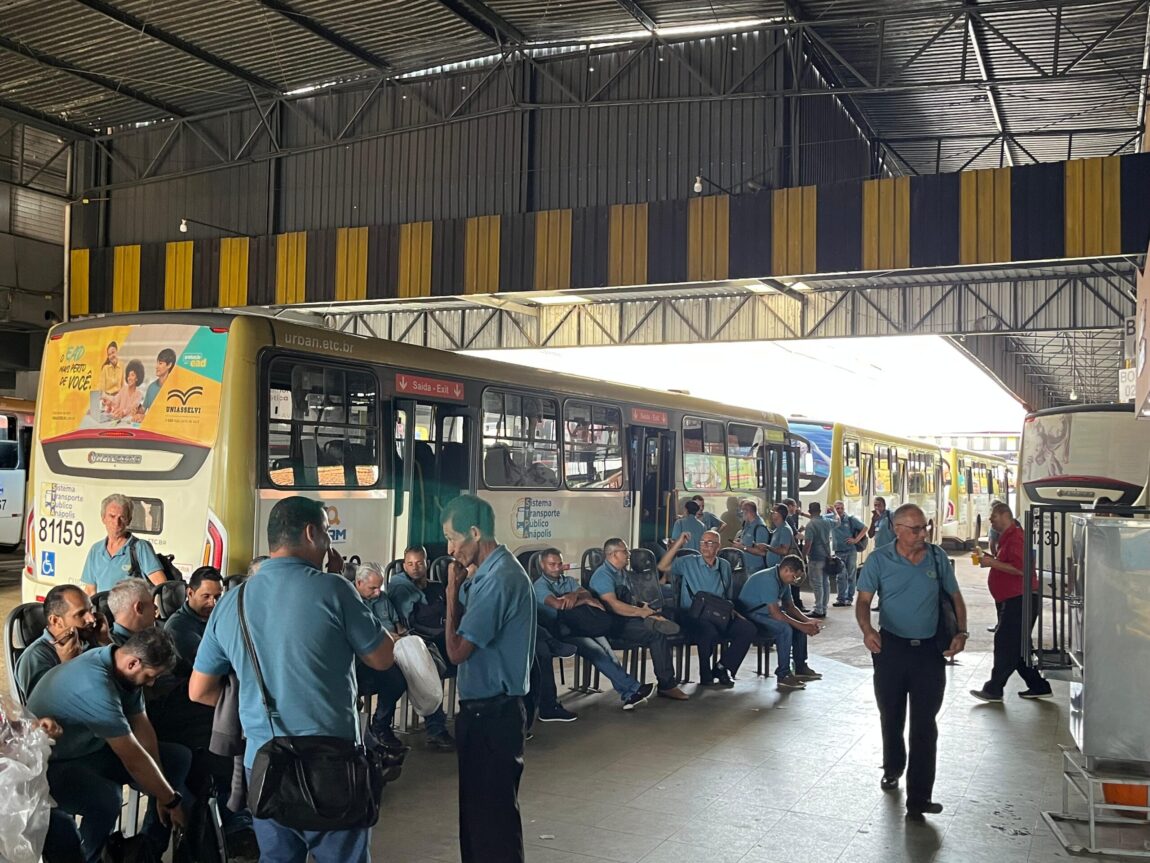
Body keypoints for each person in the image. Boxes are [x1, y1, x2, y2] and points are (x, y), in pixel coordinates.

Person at [189, 496, 395, 863]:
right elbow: (382, 658)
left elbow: (199, 689)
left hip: (264, 762)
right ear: (312, 533)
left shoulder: (232, 601)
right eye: (327, 533)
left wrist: (252, 701)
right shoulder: (335, 591)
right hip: (332, 761)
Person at [26, 628, 191, 862]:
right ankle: (89, 857)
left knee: (177, 758)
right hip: (52, 764)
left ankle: (144, 852)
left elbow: (142, 729)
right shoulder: (95, 684)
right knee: (106, 799)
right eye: (151, 676)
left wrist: (164, 792)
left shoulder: (121, 669)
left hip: (88, 749)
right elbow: (132, 757)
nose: (152, 683)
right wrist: (172, 800)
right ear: (134, 663)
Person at [856, 503, 968, 818]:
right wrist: (867, 630)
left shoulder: (936, 557)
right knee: (891, 715)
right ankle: (893, 767)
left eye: (925, 527)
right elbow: (863, 601)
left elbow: (955, 597)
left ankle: (919, 798)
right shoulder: (879, 560)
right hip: (891, 649)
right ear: (897, 529)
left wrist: (962, 632)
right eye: (915, 529)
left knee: (924, 725)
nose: (923, 533)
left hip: (929, 653)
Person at [441, 494, 536, 863]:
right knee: (480, 820)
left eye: (453, 538)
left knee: (492, 824)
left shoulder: (499, 579)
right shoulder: (493, 573)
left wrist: (451, 594)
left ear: (475, 533)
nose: (451, 549)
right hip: (488, 712)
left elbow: (456, 651)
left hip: (492, 715)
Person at [533, 548, 654, 710]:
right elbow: (558, 605)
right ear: (542, 565)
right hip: (561, 633)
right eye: (552, 564)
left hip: (581, 626)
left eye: (559, 564)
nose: (556, 568)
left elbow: (586, 594)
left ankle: (629, 693)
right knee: (596, 651)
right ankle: (633, 689)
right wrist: (581, 599)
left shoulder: (567, 580)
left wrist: (574, 596)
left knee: (607, 649)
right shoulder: (539, 586)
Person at [352, 561, 454, 750]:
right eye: (372, 588)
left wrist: (403, 636)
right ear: (358, 583)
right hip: (368, 655)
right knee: (396, 680)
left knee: (422, 668)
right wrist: (386, 637)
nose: (377, 592)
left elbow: (398, 625)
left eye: (379, 587)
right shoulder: (352, 603)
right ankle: (380, 726)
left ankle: (435, 727)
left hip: (395, 647)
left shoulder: (382, 599)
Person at [970, 503, 1053, 703]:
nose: (991, 521)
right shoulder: (1008, 538)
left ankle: (994, 688)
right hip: (1013, 599)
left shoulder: (1016, 538)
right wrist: (990, 559)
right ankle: (1038, 686)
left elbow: (1022, 569)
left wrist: (992, 563)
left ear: (1005, 515)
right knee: (1019, 647)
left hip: (1020, 599)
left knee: (1005, 643)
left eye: (994, 517)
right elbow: (1009, 564)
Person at [589, 538, 689, 701]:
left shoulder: (622, 572)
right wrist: (641, 613)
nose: (629, 554)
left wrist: (645, 607)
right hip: (612, 624)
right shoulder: (603, 575)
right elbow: (614, 605)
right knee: (656, 632)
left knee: (662, 618)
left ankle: (654, 620)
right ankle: (667, 685)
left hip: (628, 618)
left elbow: (630, 600)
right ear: (613, 554)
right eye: (625, 551)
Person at [659, 530, 755, 686]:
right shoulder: (689, 562)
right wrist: (678, 543)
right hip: (693, 614)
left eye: (710, 543)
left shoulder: (724, 565)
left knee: (748, 629)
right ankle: (706, 674)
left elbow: (727, 595)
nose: (705, 546)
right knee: (707, 631)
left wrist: (734, 612)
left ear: (718, 546)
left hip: (719, 613)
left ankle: (722, 667)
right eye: (703, 542)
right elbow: (663, 566)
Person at [738, 555, 822, 690]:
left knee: (799, 625)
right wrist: (802, 625)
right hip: (749, 616)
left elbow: (790, 606)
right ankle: (783, 675)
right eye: (795, 576)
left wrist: (807, 621)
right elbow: (776, 614)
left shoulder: (783, 580)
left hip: (764, 613)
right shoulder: (768, 579)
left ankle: (800, 666)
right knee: (785, 629)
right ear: (787, 570)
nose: (795, 580)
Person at [15, 584, 110, 701]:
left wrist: (105, 641)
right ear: (55, 621)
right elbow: (41, 709)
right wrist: (68, 666)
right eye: (81, 614)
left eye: (91, 610)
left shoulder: (89, 640)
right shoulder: (35, 657)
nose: (92, 619)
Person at [81, 493, 166, 594]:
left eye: (122, 517)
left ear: (129, 520)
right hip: (102, 609)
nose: (117, 523)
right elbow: (90, 590)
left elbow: (161, 585)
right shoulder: (96, 550)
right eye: (112, 516)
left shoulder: (140, 548)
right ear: (103, 518)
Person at [164, 565, 223, 664]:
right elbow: (210, 662)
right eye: (206, 596)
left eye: (217, 597)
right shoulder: (177, 627)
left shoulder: (218, 617)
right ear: (190, 593)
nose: (213, 603)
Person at [830, 500, 868, 607]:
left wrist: (856, 540)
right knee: (840, 576)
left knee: (851, 575)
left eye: (841, 508)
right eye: (837, 508)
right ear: (834, 509)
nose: (840, 510)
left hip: (850, 551)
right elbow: (817, 518)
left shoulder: (851, 519)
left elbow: (865, 528)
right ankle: (841, 599)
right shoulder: (832, 519)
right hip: (838, 552)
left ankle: (849, 598)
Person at [803, 502, 834, 618]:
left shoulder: (810, 525)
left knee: (817, 584)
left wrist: (802, 557)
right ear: (820, 511)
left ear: (810, 511)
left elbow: (808, 544)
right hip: (826, 556)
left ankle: (818, 609)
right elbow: (838, 522)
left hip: (815, 557)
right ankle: (824, 608)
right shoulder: (826, 521)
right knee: (825, 583)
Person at [107, 577, 158, 644]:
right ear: (139, 608)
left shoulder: (107, 646)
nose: (156, 607)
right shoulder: (116, 650)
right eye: (152, 602)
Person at [732, 499, 770, 574]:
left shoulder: (759, 527)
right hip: (747, 566)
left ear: (748, 512)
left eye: (742, 512)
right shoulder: (748, 525)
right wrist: (740, 542)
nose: (741, 515)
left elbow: (762, 552)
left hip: (755, 568)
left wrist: (743, 547)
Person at [141, 347, 176, 413]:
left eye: (160, 363)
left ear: (169, 365)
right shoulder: (151, 387)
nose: (156, 366)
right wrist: (137, 411)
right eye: (157, 363)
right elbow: (143, 409)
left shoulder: (175, 389)